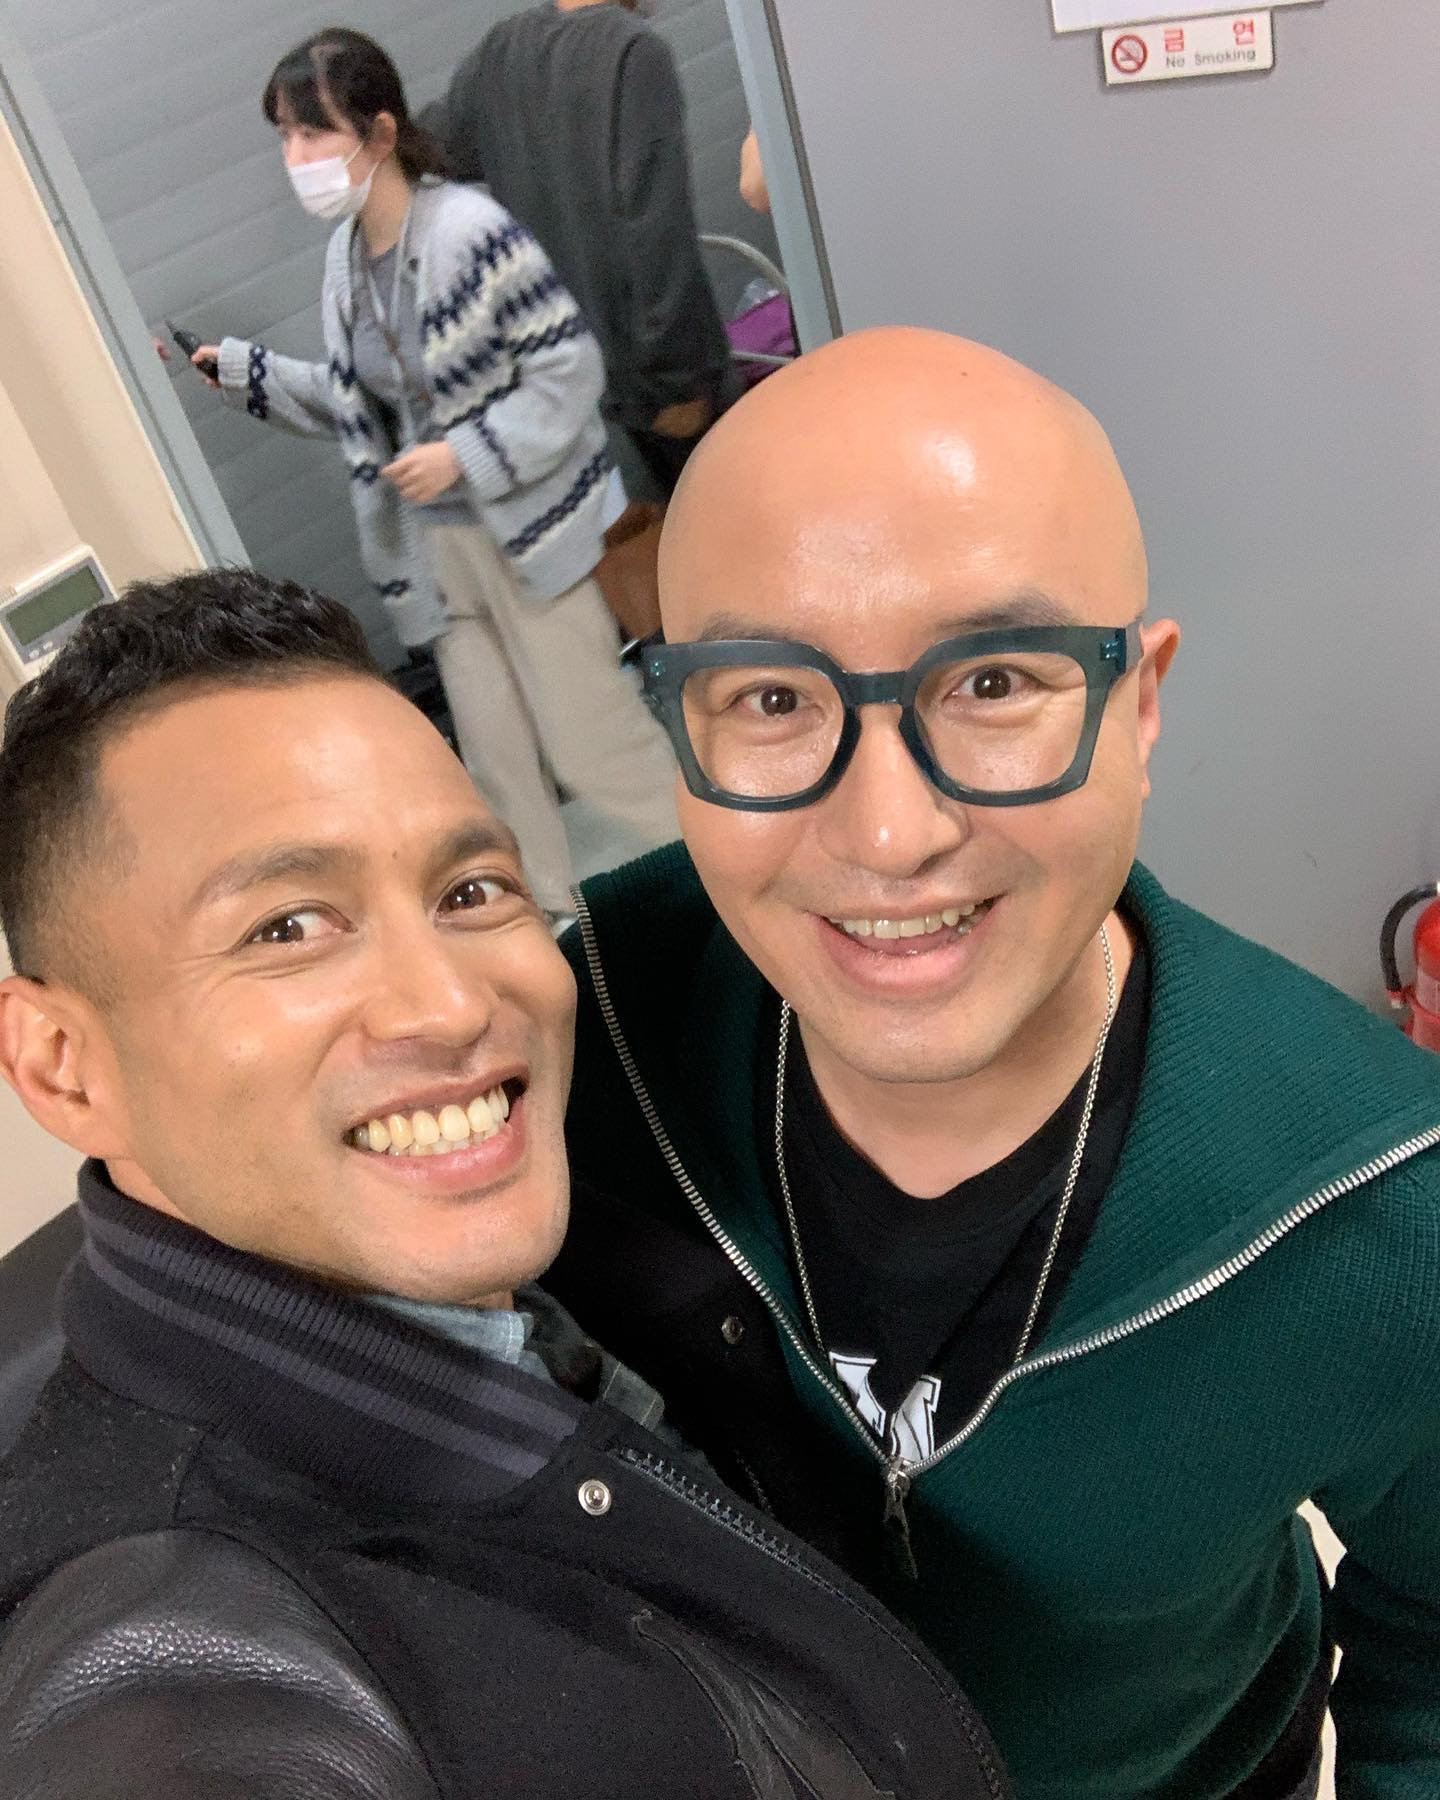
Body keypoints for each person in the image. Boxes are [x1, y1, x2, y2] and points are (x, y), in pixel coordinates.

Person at [550, 328, 1440, 1799]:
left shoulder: (1383, 1202)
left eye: (995, 681)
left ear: (1139, 707)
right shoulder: (585, 1035)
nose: (889, 833)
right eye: (770, 698)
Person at [0, 568, 1009, 1799]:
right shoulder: (180, 1675)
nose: (451, 1003)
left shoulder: (572, 1265)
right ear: (63, 1066)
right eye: (288, 928)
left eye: (469, 892)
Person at [192, 28, 677, 918]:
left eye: (312, 132)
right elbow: (357, 404)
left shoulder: (468, 232)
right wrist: (244, 373)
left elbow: (569, 368)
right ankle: (556, 931)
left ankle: (712, 876)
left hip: (529, 538)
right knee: (495, 770)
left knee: (591, 744)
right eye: (286, 136)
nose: (296, 158)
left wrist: (466, 452)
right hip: (439, 556)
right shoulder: (345, 263)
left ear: (379, 133)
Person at [441, 0, 734, 498]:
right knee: (730, 509)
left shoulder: (500, 53)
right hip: (658, 371)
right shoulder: (633, 53)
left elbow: (435, 149)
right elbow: (655, 228)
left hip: (584, 364)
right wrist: (679, 380)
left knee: (679, 506)